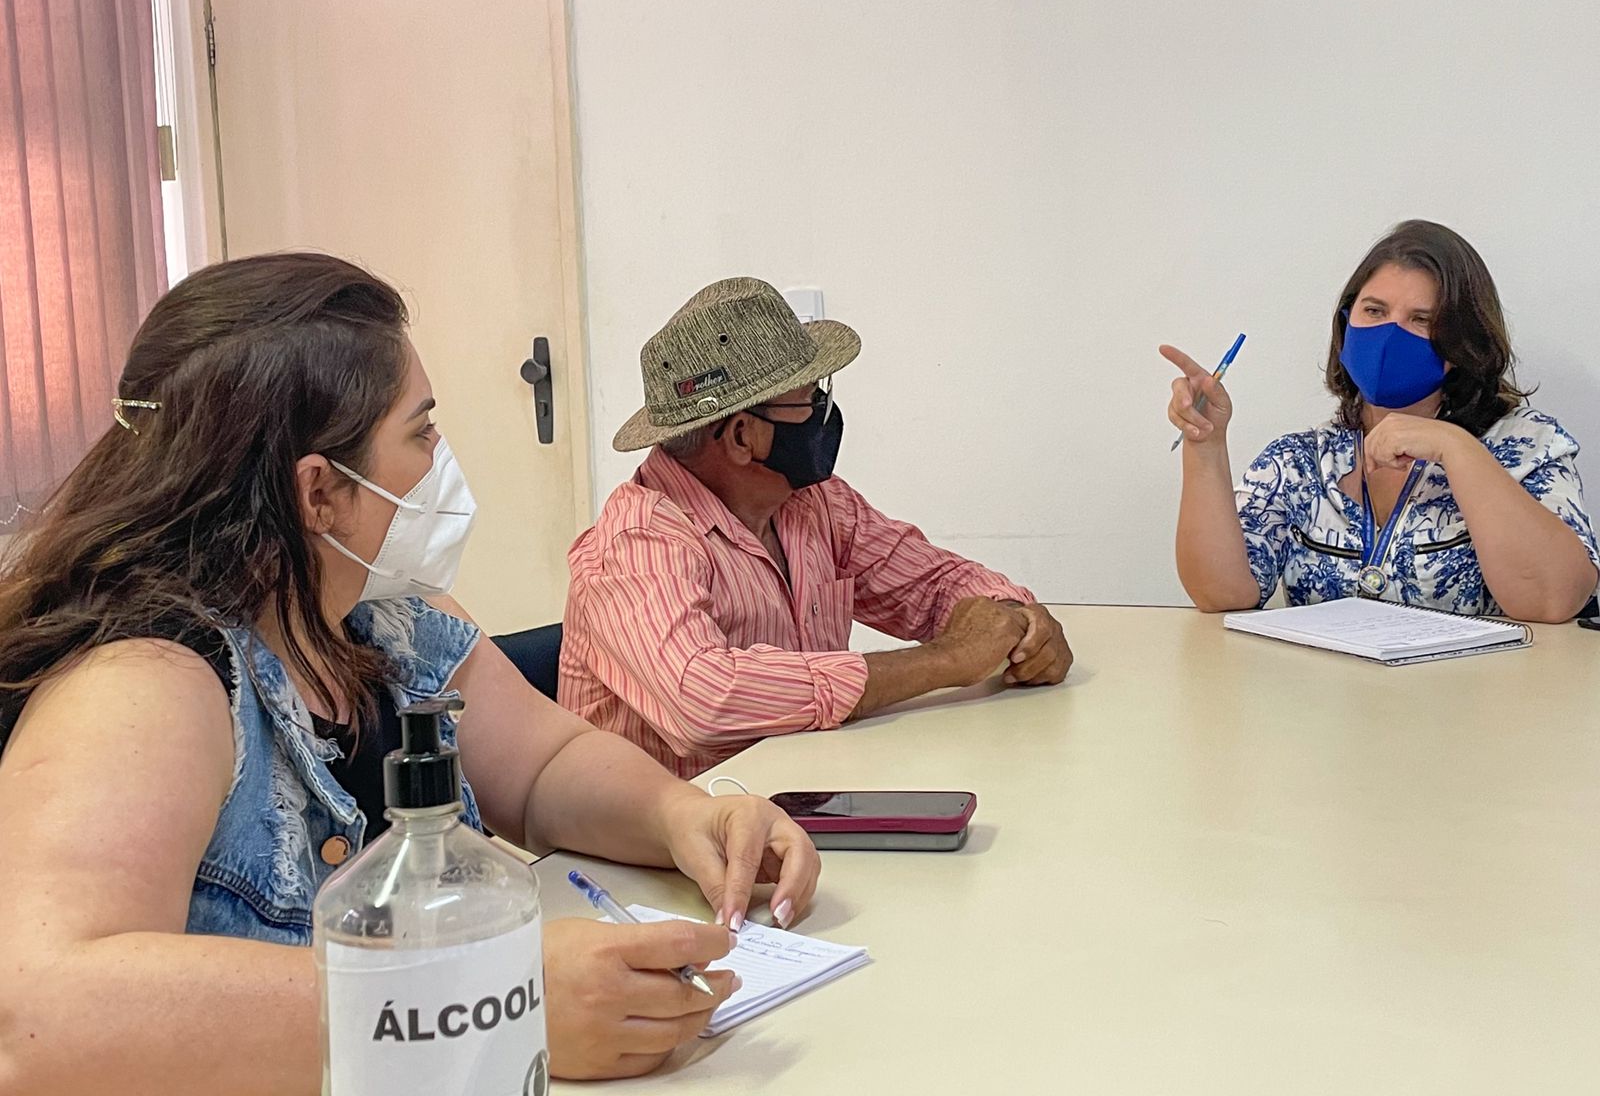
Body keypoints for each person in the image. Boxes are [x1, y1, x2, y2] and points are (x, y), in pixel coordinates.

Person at [0, 254, 821, 1093]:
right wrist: (485, 999)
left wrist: (682, 816)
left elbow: (543, 766)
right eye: (420, 433)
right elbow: (41, 1015)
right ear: (319, 492)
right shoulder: (143, 682)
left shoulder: (382, 615)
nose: (440, 462)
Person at [560, 277, 1071, 779]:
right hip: (679, 825)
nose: (823, 413)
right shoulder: (636, 542)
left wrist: (1016, 623)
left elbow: (932, 583)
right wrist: (946, 660)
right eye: (809, 399)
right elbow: (705, 700)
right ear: (743, 436)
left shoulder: (813, 502)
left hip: (802, 794)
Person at [1163, 219, 1600, 622]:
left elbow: (1553, 600)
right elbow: (1220, 593)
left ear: (1462, 340)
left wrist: (1454, 447)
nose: (1390, 335)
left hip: (1480, 683)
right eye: (1374, 311)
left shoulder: (1527, 446)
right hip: (1325, 683)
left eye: (1421, 320)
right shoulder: (1299, 461)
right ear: (1346, 323)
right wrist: (1205, 443)